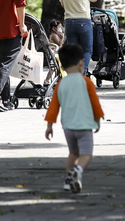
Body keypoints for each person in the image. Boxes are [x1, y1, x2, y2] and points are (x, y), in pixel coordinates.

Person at [44, 44, 104, 194]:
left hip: (68, 127)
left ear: (62, 67)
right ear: (81, 63)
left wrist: (50, 125)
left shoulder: (60, 84)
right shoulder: (87, 82)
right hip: (84, 126)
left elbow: (53, 107)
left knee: (73, 153)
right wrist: (97, 119)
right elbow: (94, 102)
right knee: (86, 154)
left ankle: (68, 180)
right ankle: (78, 170)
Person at [60, 0, 98, 74]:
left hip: (69, 22)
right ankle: (82, 74)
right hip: (84, 21)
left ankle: (73, 74)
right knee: (86, 50)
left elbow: (62, 3)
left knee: (74, 52)